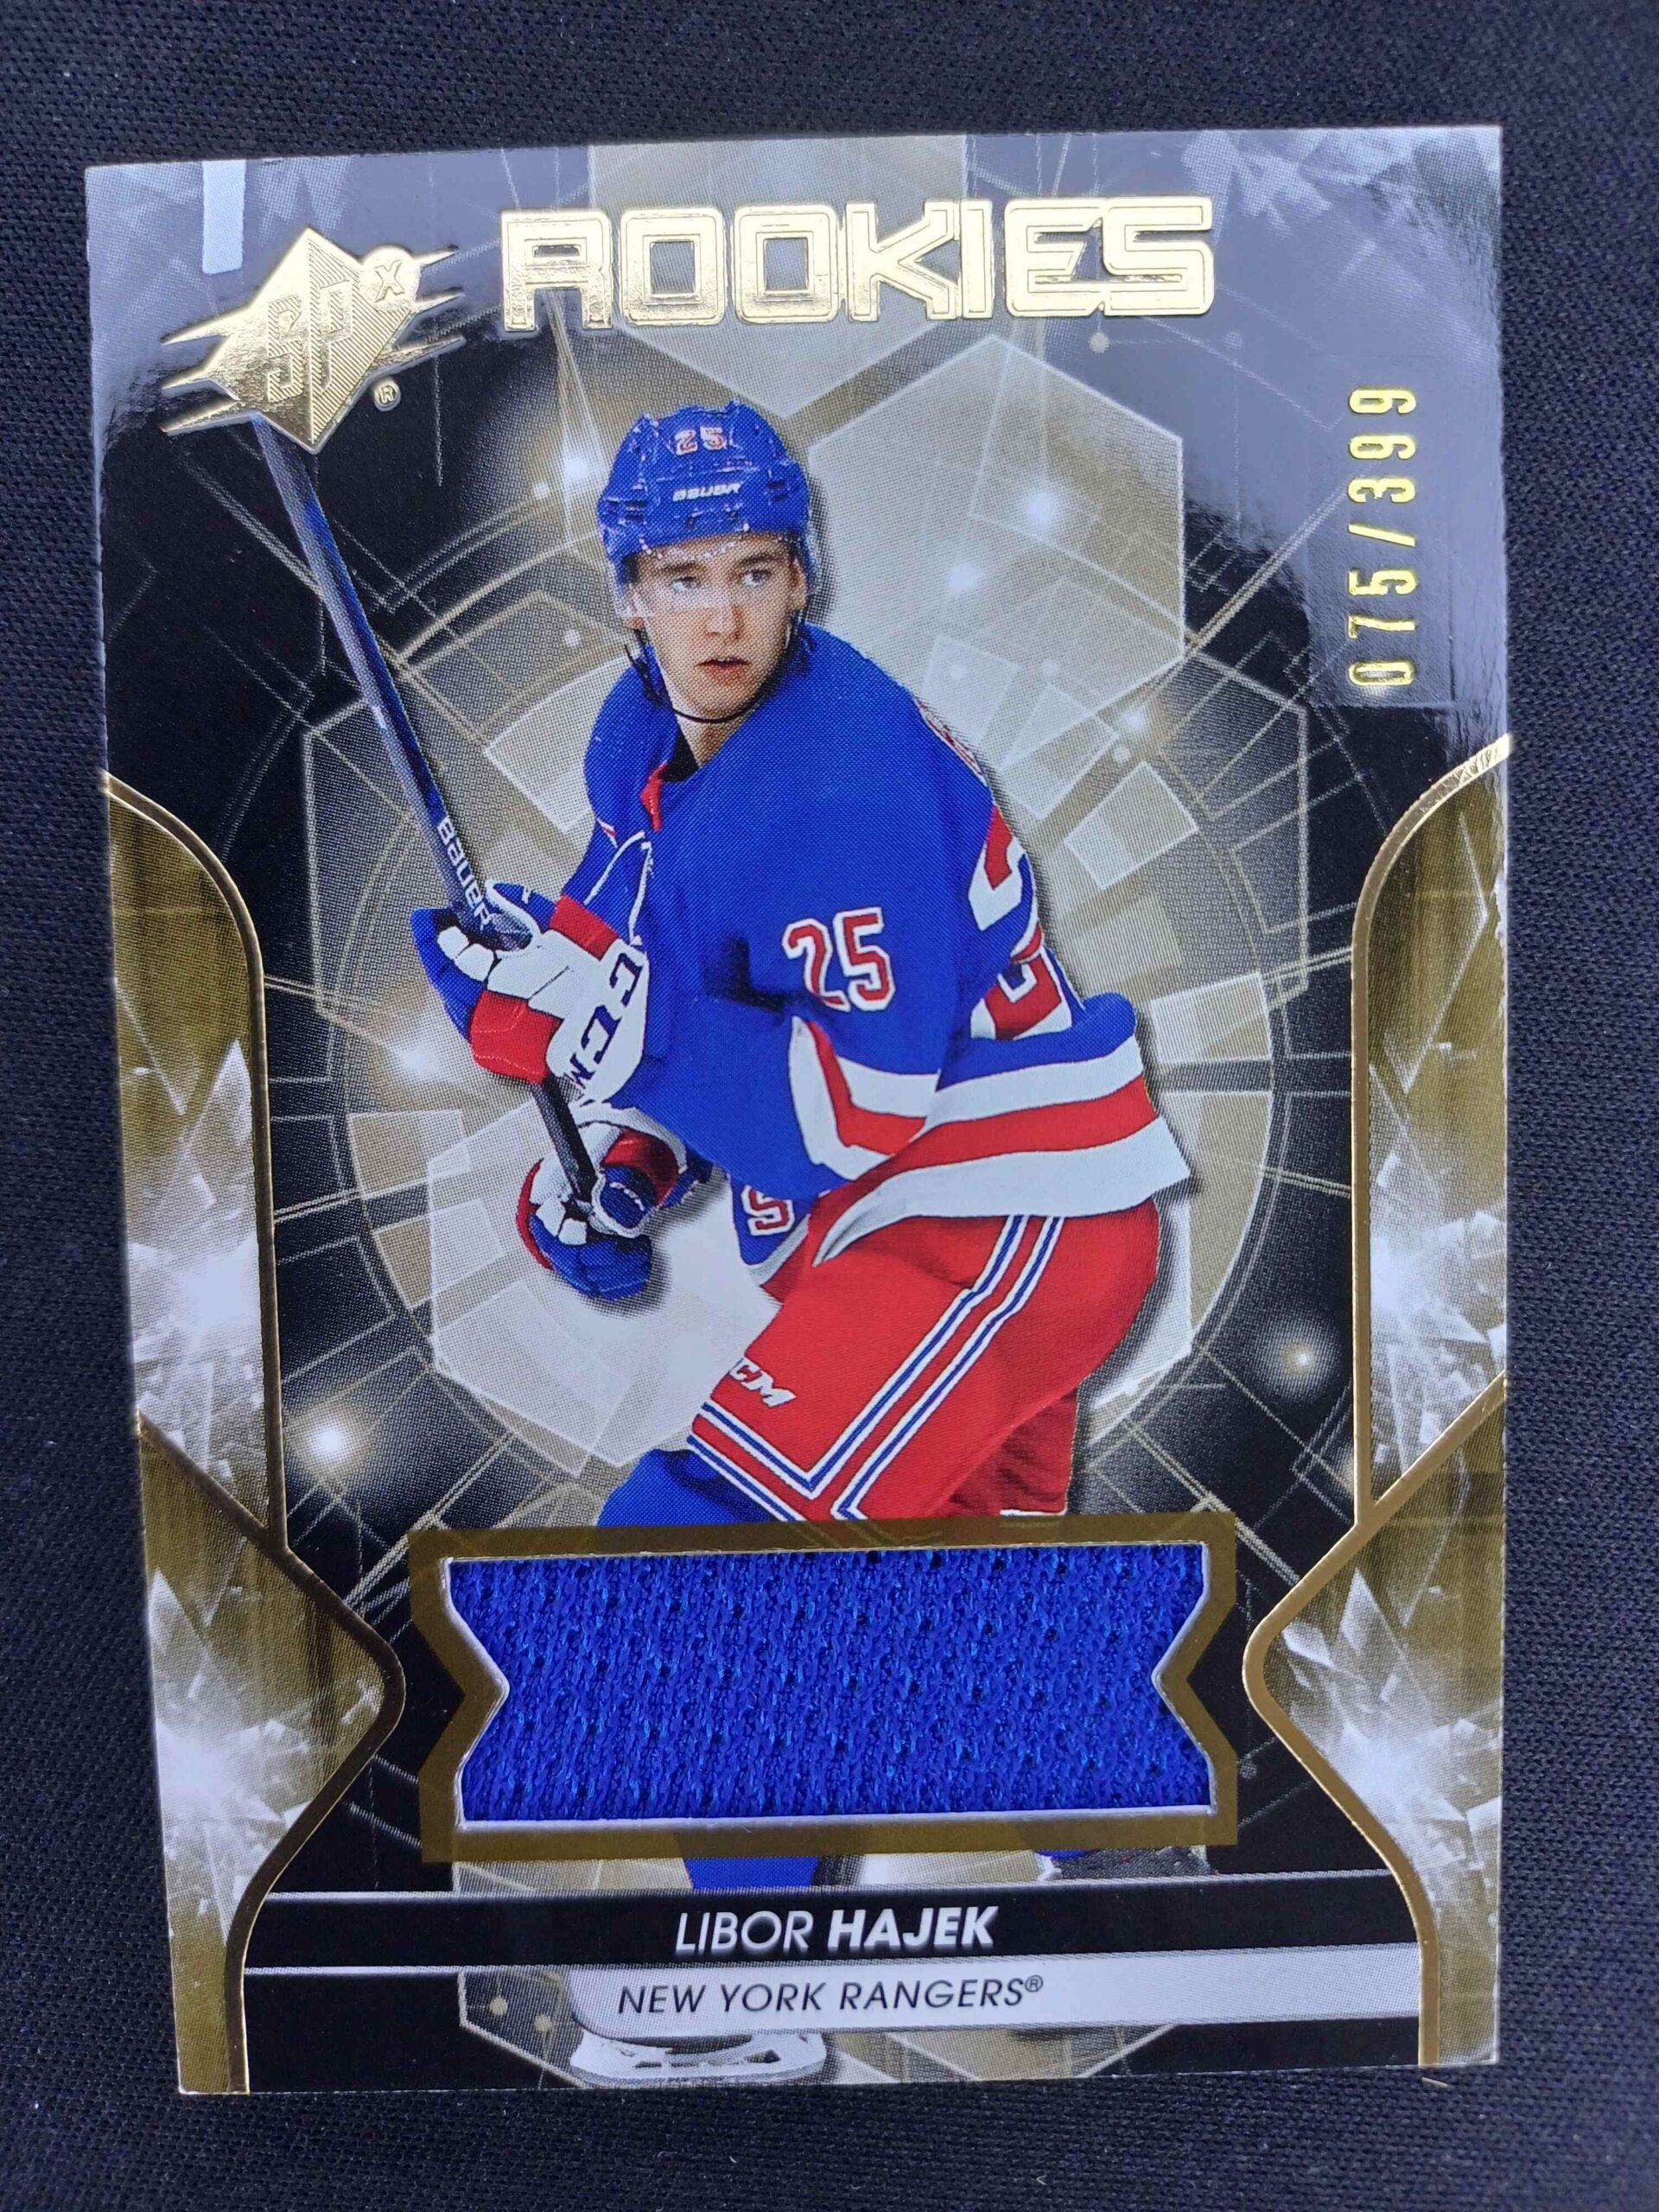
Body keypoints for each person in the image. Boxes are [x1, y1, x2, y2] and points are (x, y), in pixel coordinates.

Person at [412, 399, 1190, 2082]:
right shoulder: (645, 735)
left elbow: (855, 1110)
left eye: (754, 571)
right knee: (953, 1600)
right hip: (951, 1231)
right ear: (627, 591)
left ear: (801, 575)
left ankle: (741, 2002)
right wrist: (613, 1166)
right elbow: (664, 959)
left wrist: (606, 1035)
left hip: (996, 1210)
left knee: (699, 1550)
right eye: (684, 576)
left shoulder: (841, 777)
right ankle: (1139, 1896)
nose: (722, 615)